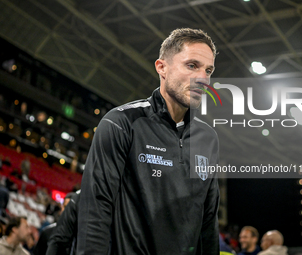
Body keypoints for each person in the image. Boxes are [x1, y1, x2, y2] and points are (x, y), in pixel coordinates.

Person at [77, 28, 220, 254]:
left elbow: (208, 220)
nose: (203, 78)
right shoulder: (121, 122)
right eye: (192, 65)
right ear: (162, 67)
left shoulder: (208, 139)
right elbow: (95, 210)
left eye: (208, 70)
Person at [46, 191, 80, 255]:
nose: (67, 211)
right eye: (65, 207)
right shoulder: (47, 232)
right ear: (61, 207)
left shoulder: (81, 237)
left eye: (70, 209)